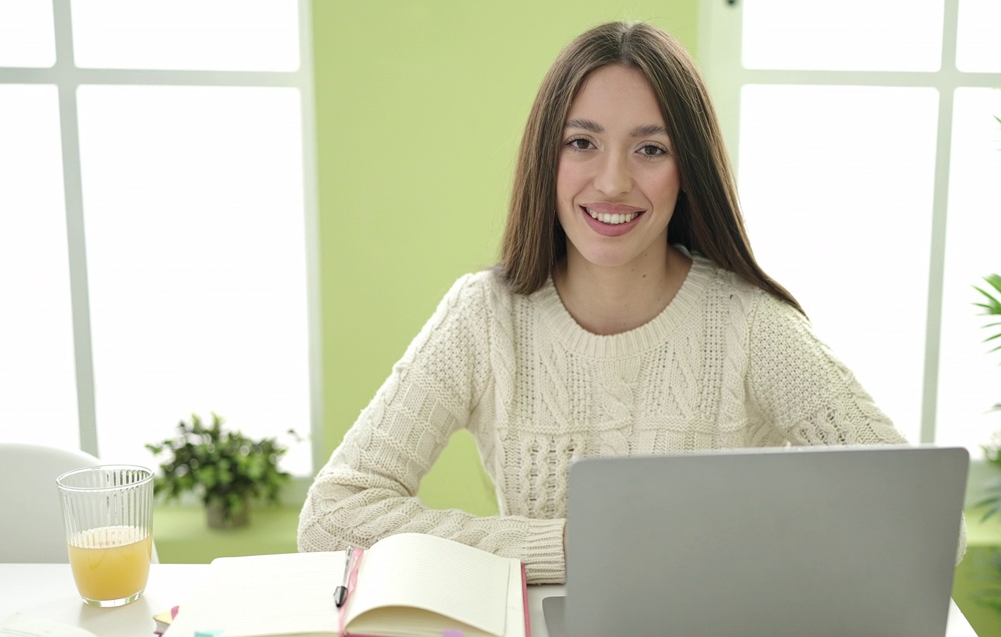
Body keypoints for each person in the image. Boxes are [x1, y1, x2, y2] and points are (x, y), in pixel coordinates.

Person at [298, 21, 965, 583]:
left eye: (651, 149)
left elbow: (931, 524)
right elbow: (332, 516)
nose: (612, 181)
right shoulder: (485, 317)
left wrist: (749, 555)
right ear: (546, 159)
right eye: (582, 143)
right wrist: (566, 549)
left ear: (688, 168)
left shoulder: (753, 328)